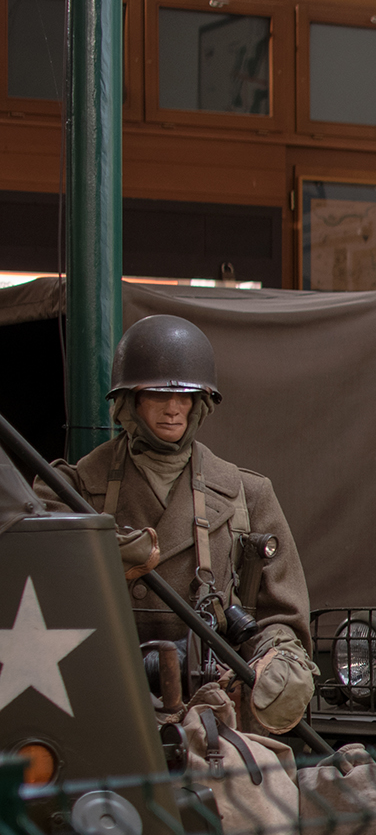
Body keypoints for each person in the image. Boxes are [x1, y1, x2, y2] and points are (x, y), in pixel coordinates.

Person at [38, 314, 316, 734]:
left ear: (200, 403)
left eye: (185, 396)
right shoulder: (76, 489)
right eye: (157, 395)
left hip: (213, 705)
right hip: (104, 699)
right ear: (130, 401)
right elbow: (31, 557)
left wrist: (280, 656)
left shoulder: (247, 495)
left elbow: (282, 614)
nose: (173, 408)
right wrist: (93, 550)